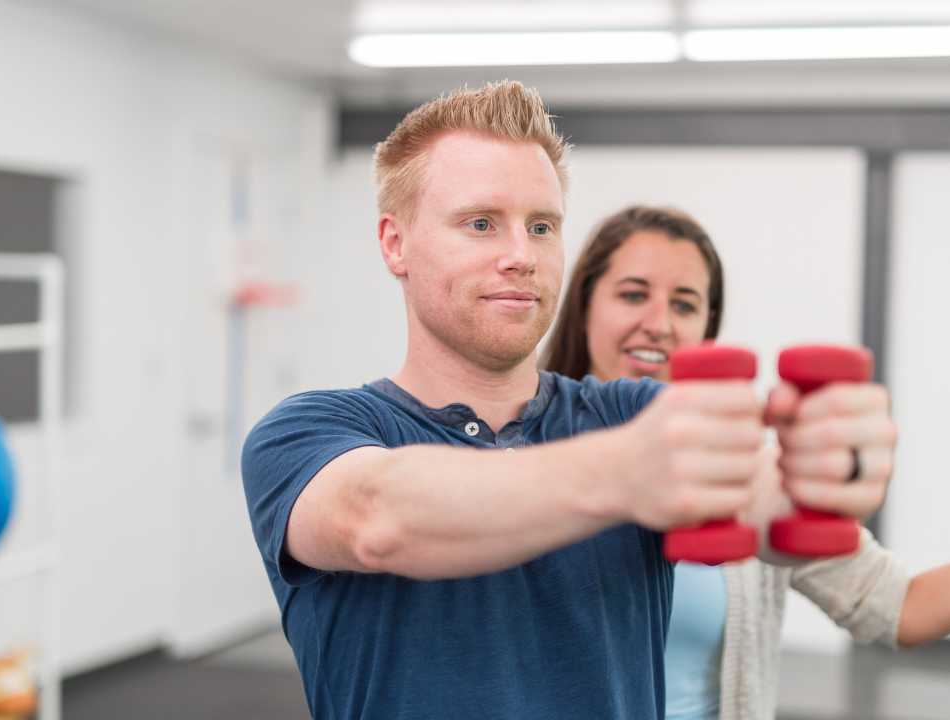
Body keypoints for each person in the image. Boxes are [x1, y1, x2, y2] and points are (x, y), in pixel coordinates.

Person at [241, 81, 898, 720]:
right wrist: (627, 472)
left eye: (542, 227)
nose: (521, 256)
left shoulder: (628, 412)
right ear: (395, 243)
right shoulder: (308, 432)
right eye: (481, 224)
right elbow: (377, 519)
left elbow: (764, 503)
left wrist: (826, 468)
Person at [543, 204, 950, 720]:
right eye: (633, 295)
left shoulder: (755, 485)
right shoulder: (519, 460)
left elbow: (902, 607)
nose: (659, 322)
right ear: (586, 307)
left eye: (685, 303)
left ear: (708, 330)